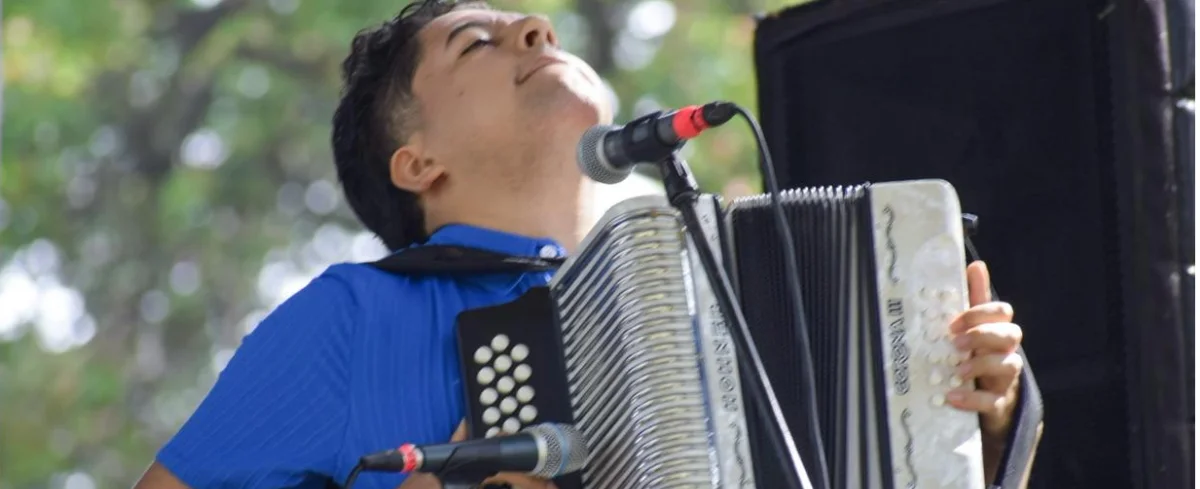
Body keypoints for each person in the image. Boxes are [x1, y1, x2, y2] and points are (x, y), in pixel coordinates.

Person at [133, 1, 1031, 488]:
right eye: (474, 43)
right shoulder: (350, 319)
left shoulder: (725, 275)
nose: (534, 28)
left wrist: (977, 430)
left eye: (534, 25)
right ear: (417, 162)